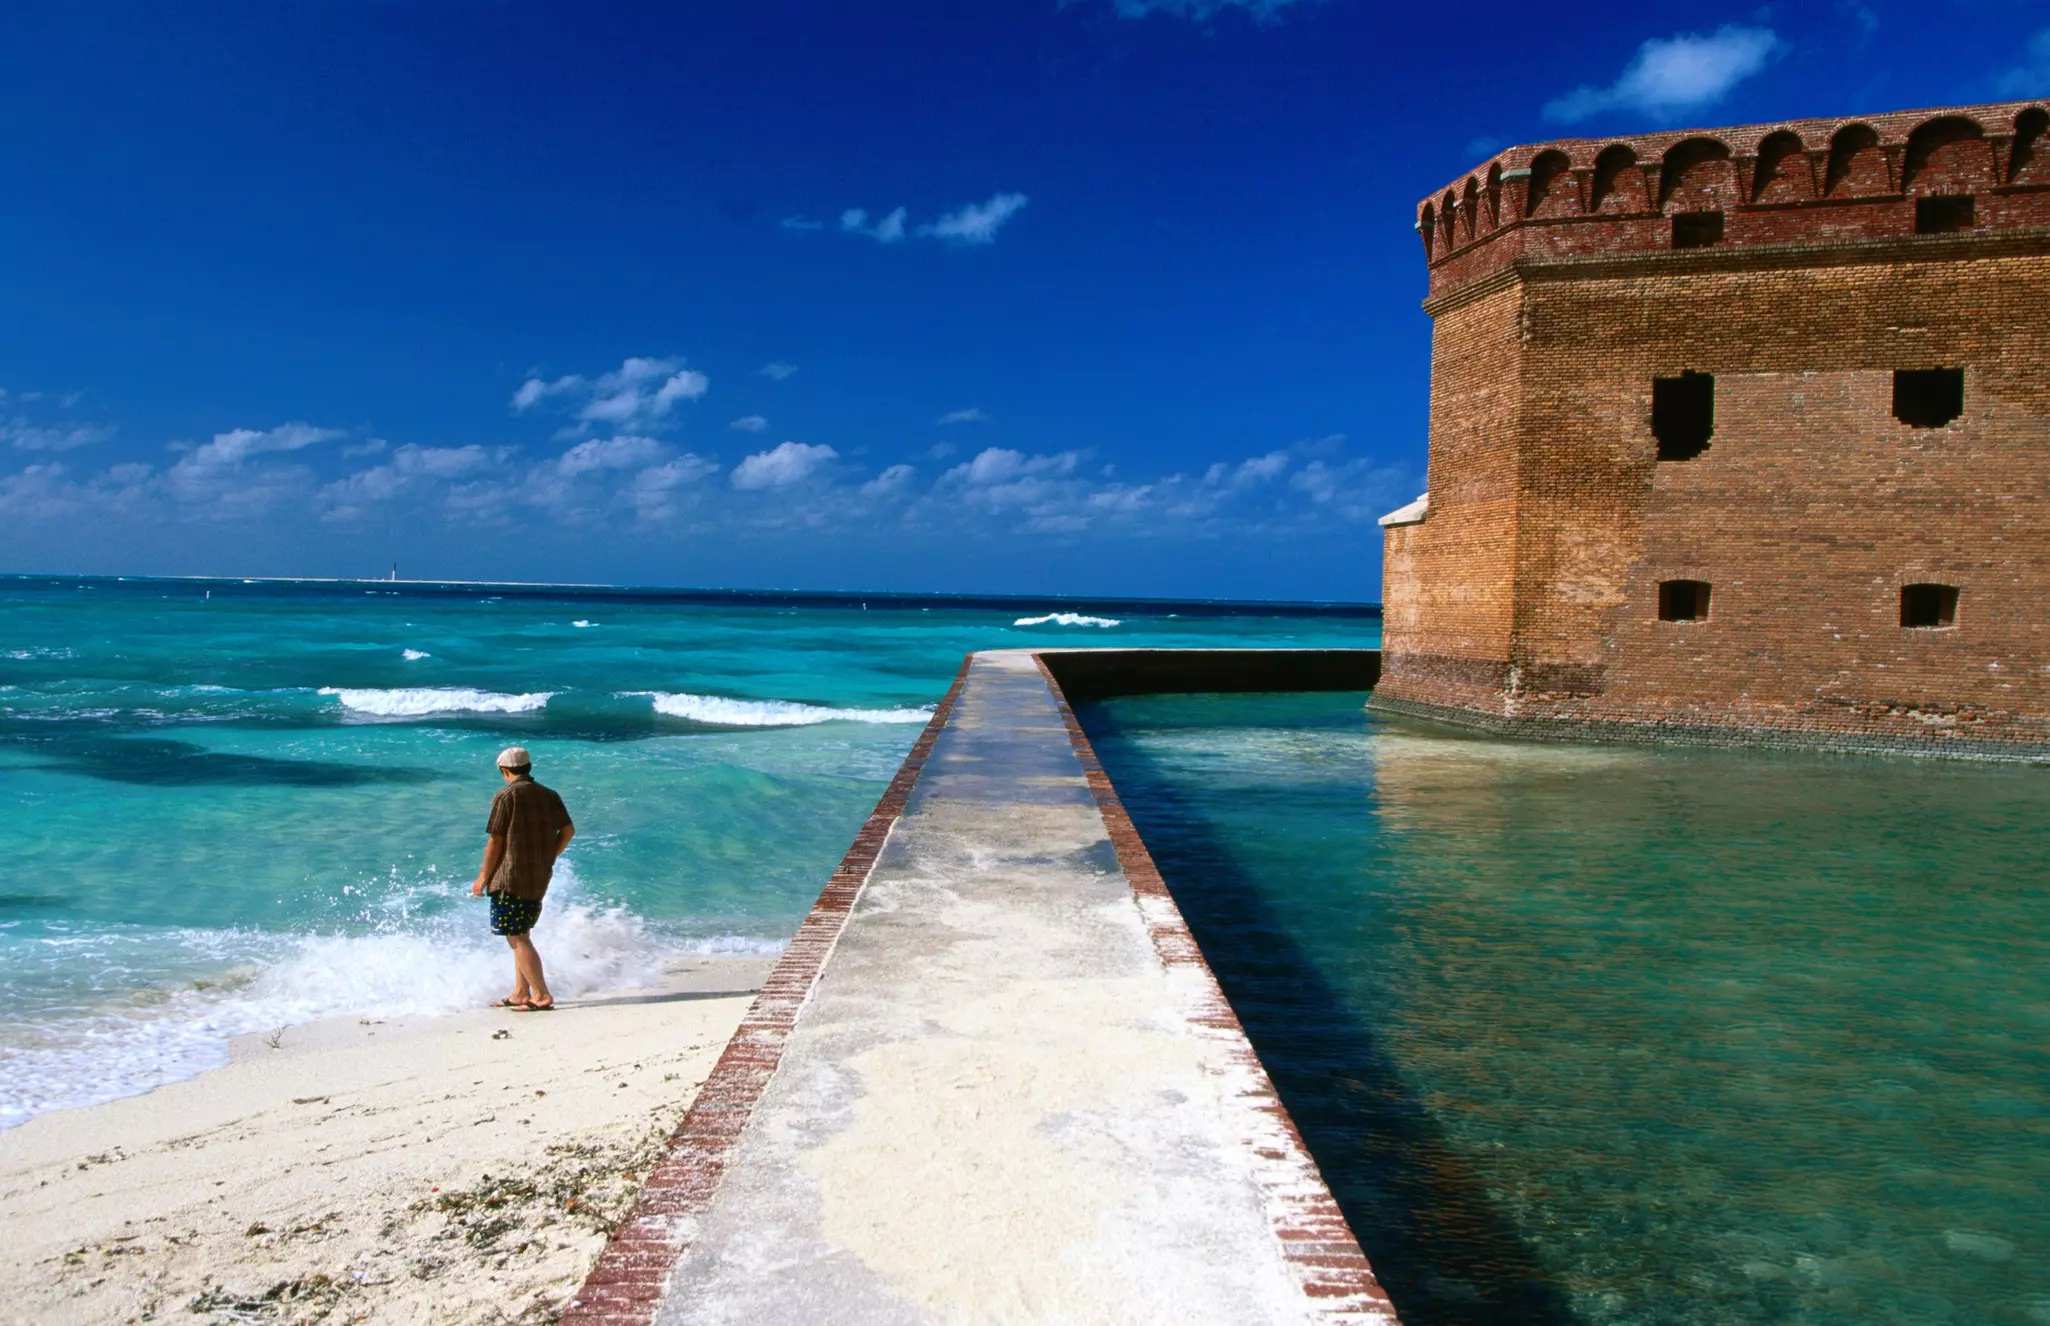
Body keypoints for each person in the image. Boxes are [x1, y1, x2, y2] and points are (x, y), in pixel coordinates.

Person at [470, 746, 575, 1011]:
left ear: (505, 771)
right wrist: (550, 855)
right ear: (528, 767)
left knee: (517, 937)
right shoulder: (549, 795)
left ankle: (541, 995)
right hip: (538, 875)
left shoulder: (506, 796)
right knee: (522, 932)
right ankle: (520, 992)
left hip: (509, 877)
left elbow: (496, 840)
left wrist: (483, 876)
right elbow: (568, 831)